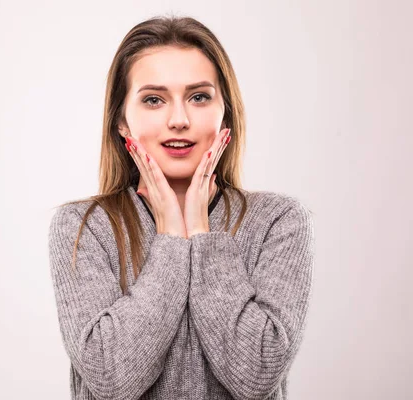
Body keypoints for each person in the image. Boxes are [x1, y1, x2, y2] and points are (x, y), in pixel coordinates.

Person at [48, 15, 315, 400]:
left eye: (199, 96)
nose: (179, 120)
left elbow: (256, 374)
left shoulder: (279, 221)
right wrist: (171, 240)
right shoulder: (83, 226)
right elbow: (110, 379)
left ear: (226, 113)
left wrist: (201, 234)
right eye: (154, 99)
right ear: (122, 121)